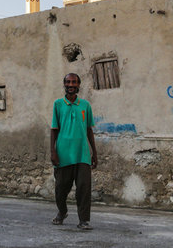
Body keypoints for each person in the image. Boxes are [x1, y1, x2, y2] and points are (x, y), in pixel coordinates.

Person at [50, 73, 98, 230]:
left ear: (79, 85)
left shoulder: (85, 105)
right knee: (60, 188)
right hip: (63, 154)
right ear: (64, 84)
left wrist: (94, 152)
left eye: (74, 82)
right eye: (68, 82)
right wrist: (53, 152)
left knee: (84, 188)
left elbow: (89, 129)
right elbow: (54, 130)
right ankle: (62, 212)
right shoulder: (58, 104)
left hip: (82, 154)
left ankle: (84, 220)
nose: (71, 84)